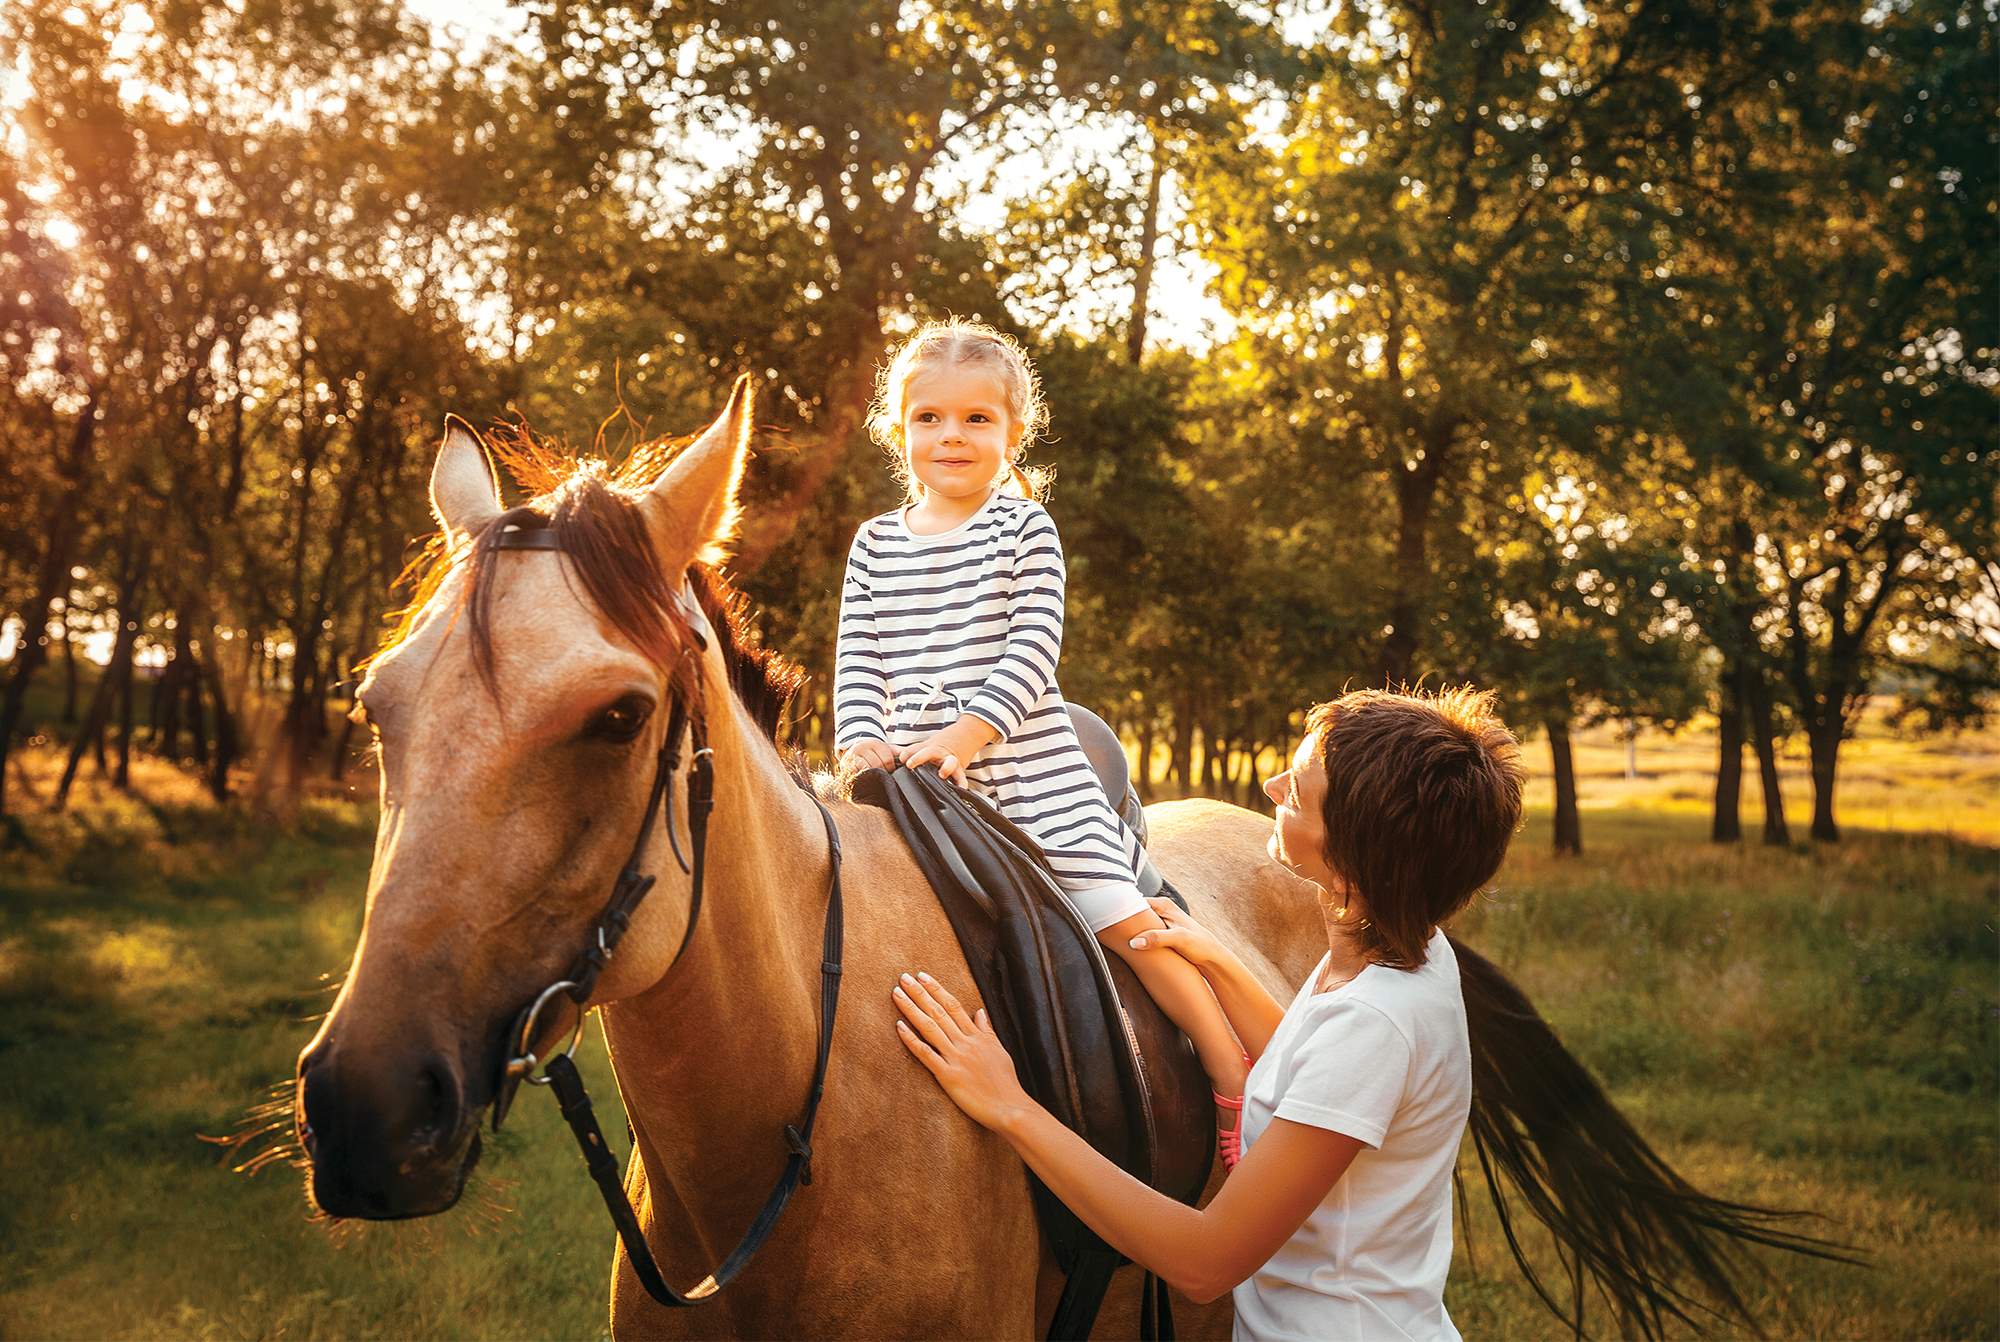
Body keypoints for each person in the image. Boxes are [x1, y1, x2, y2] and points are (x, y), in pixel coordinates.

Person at [891, 687, 1526, 1341]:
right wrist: (1219, 962)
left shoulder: (1376, 1023)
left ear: (1355, 853)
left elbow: (1205, 1262)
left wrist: (1011, 1107)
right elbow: (1313, 1073)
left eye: (1301, 791)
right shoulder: (1400, 950)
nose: (1273, 786)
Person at [833, 317, 1250, 1164]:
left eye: (978, 419)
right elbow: (858, 662)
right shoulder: (874, 545)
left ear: (1013, 431)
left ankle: (1230, 1072)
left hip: (1027, 774)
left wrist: (969, 730)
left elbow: (1032, 651)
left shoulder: (1023, 530)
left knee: (1121, 923)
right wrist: (860, 742)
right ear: (898, 428)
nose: (952, 436)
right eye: (930, 417)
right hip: (915, 783)